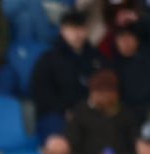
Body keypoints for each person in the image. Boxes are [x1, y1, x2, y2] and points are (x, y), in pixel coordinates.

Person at [29, 10, 99, 138]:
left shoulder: (96, 58)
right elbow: (41, 94)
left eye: (81, 28)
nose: (77, 33)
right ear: (62, 30)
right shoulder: (48, 59)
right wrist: (65, 111)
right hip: (57, 115)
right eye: (72, 28)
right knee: (60, 133)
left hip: (90, 114)